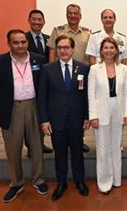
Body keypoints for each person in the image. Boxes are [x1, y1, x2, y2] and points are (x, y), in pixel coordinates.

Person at [0, 29, 48, 202]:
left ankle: (39, 179)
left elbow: (44, 83)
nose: (20, 46)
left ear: (27, 42)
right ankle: (16, 182)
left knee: (36, 145)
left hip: (34, 106)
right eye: (16, 42)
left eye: (23, 42)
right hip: (11, 108)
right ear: (9, 43)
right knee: (13, 148)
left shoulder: (39, 59)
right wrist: (5, 97)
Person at [38, 35, 90, 201]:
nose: (63, 51)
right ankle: (61, 183)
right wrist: (44, 120)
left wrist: (87, 117)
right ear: (56, 50)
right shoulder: (47, 69)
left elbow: (87, 95)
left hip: (76, 119)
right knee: (59, 153)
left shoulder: (83, 68)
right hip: (56, 120)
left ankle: (79, 181)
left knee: (77, 153)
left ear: (73, 49)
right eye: (59, 47)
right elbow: (42, 97)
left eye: (66, 47)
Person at [88, 37, 127, 194]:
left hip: (118, 111)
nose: (108, 51)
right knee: (102, 149)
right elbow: (91, 94)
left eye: (111, 48)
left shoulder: (122, 68)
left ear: (116, 51)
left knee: (116, 146)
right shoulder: (94, 69)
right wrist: (93, 116)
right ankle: (104, 182)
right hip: (101, 113)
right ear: (101, 51)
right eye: (105, 48)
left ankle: (116, 179)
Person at [46, 3, 91, 152]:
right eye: (70, 13)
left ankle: (80, 139)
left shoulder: (87, 33)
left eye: (75, 13)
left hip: (81, 74)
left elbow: (91, 56)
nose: (73, 16)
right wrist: (53, 74)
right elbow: (52, 53)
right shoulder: (58, 31)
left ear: (80, 16)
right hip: (60, 74)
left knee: (79, 105)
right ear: (66, 15)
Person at [25, 9, 52, 154]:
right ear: (29, 21)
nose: (37, 22)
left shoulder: (49, 39)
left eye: (39, 19)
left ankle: (40, 144)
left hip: (46, 82)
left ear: (44, 21)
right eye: (34, 19)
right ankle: (31, 146)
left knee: (42, 114)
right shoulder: (23, 39)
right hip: (29, 84)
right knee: (30, 117)